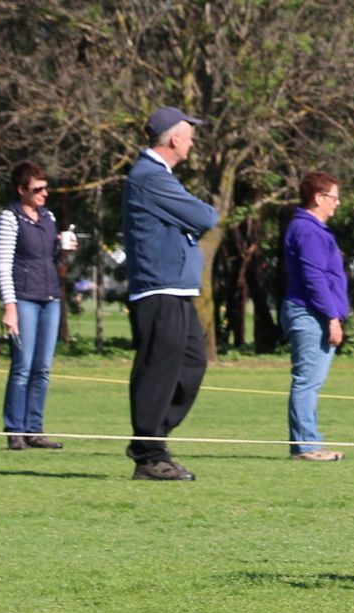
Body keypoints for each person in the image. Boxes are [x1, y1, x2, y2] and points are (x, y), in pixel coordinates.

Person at [121, 106, 219, 481]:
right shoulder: (150, 177)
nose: (193, 143)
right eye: (190, 136)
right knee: (158, 371)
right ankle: (149, 454)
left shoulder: (159, 176)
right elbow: (206, 217)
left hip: (176, 288)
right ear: (175, 139)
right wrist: (191, 219)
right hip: (159, 289)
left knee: (192, 364)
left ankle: (153, 442)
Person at [0, 161, 74, 451]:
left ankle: (34, 430)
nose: (44, 193)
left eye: (45, 188)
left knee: (43, 368)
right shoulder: (9, 218)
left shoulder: (48, 217)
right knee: (23, 367)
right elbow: (3, 265)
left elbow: (50, 259)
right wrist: (10, 306)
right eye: (37, 189)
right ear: (21, 190)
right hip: (24, 299)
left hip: (50, 298)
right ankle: (14, 430)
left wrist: (64, 250)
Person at [282, 172, 349, 462]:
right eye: (334, 197)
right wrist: (332, 317)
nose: (337, 203)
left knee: (311, 382)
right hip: (310, 314)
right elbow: (314, 279)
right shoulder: (308, 230)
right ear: (318, 198)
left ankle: (308, 442)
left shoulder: (312, 229)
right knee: (307, 382)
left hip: (314, 313)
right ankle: (306, 446)